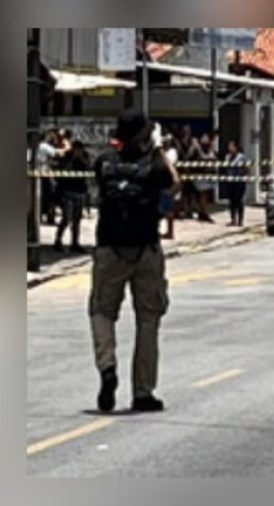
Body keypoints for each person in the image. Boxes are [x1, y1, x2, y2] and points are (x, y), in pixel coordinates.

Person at [89, 109, 178, 413]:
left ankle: (107, 366)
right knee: (148, 320)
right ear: (143, 134)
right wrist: (159, 151)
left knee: (102, 311)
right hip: (145, 251)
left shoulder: (104, 163)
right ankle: (142, 391)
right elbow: (173, 185)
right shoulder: (154, 164)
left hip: (109, 249)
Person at [54, 141, 90, 253]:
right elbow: (63, 170)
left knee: (77, 219)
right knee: (66, 217)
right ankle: (58, 240)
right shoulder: (66, 156)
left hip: (79, 190)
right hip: (67, 190)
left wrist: (81, 159)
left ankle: (75, 242)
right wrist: (72, 159)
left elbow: (89, 168)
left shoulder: (85, 156)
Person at [223, 140, 250, 227]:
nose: (230, 148)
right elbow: (225, 168)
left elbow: (247, 168)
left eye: (231, 146)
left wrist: (244, 176)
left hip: (240, 181)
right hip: (230, 181)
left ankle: (240, 220)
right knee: (232, 201)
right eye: (229, 146)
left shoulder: (242, 157)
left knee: (239, 200)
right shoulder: (227, 157)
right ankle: (233, 219)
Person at [194, 133, 217, 223]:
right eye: (203, 138)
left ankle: (202, 212)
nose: (205, 139)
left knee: (205, 195)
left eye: (206, 138)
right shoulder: (198, 149)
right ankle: (204, 213)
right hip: (200, 175)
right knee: (202, 195)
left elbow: (214, 159)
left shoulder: (211, 149)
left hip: (209, 176)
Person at [160, 133, 179, 240]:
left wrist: (161, 153)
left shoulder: (172, 152)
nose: (164, 143)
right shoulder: (162, 153)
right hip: (161, 183)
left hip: (169, 183)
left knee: (169, 210)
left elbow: (168, 164)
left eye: (166, 141)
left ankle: (170, 232)